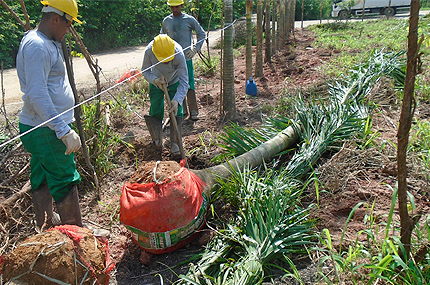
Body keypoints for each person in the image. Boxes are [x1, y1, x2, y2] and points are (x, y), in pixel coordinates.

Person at [17, 0, 83, 230]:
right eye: (68, 23)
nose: (69, 29)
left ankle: (45, 228)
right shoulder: (37, 46)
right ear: (56, 18)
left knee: (42, 176)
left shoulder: (47, 41)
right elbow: (37, 94)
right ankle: (78, 240)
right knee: (66, 179)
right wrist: (63, 130)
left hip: (43, 128)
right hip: (46, 130)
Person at [142, 34, 189, 155]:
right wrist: (155, 80)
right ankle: (157, 139)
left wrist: (177, 100)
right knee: (156, 107)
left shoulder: (178, 53)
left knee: (176, 110)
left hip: (174, 81)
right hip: (156, 81)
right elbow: (145, 71)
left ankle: (175, 142)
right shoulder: (149, 51)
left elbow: (184, 81)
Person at [160, 0, 206, 121]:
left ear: (181, 5)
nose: (174, 9)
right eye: (172, 7)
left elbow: (202, 34)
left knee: (189, 84)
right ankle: (181, 110)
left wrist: (195, 49)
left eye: (176, 7)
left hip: (186, 59)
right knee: (175, 84)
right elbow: (162, 38)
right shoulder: (166, 21)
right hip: (171, 60)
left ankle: (194, 111)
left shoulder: (189, 19)